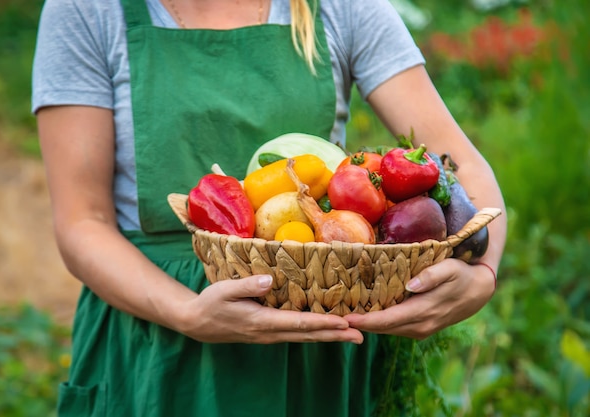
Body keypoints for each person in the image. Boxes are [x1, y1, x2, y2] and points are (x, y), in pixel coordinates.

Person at [32, 0, 507, 415]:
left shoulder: (342, 7)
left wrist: (483, 275)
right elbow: (81, 222)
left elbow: (459, 163)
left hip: (320, 339)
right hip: (158, 341)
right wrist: (187, 314)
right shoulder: (86, 9)